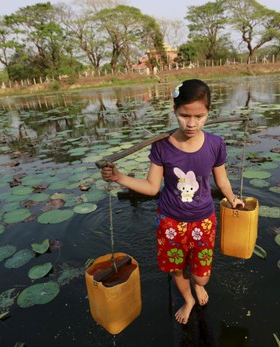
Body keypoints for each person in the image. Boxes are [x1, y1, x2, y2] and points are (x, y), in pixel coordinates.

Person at [101, 79, 244, 325]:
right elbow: (151, 187)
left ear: (209, 112)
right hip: (170, 222)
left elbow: (222, 181)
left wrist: (232, 198)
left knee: (202, 278)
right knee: (177, 268)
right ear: (174, 110)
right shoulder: (162, 147)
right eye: (184, 115)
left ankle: (197, 286)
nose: (191, 123)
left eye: (199, 116)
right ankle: (188, 299)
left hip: (203, 221)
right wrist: (118, 177)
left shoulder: (215, 144)